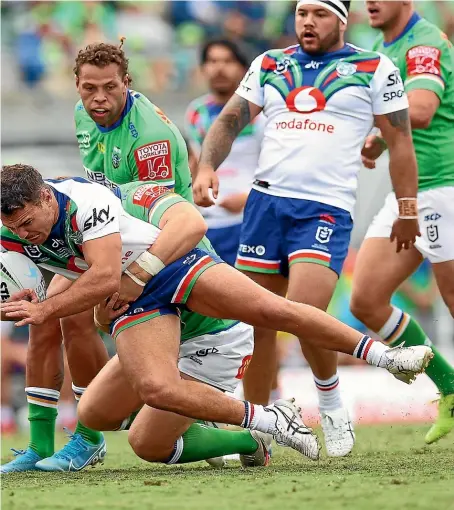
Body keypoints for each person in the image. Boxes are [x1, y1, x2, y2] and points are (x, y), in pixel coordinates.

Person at [0, 165, 432, 467]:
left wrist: (45, 307)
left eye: (26, 222)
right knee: (108, 416)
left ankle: (386, 358)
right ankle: (265, 422)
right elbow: (72, 272)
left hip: (166, 268)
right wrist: (38, 294)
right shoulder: (22, 226)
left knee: (271, 308)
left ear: (44, 196)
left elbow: (106, 274)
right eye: (15, 228)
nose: (23, 233)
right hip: (139, 303)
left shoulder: (91, 199)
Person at [192, 0, 420, 457]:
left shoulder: (374, 67)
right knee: (256, 322)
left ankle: (332, 403)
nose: (307, 22)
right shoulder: (269, 63)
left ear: (341, 18)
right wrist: (207, 169)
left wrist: (408, 208)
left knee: (303, 311)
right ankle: (254, 429)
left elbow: (399, 141)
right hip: (265, 205)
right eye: (301, 13)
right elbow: (230, 120)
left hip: (325, 208)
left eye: (318, 13)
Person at [0, 40, 203, 474]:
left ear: (126, 82)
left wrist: (116, 275)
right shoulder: (83, 115)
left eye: (110, 88)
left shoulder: (149, 137)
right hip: (100, 235)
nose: (98, 98)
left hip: (160, 249)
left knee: (68, 314)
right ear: (75, 84)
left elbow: (154, 216)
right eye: (88, 88)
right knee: (39, 318)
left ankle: (90, 436)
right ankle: (39, 444)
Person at [351, 0, 454, 445]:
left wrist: (365, 119)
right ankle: (450, 387)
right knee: (366, 299)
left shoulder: (423, 43)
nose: (370, 2)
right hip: (408, 192)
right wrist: (379, 139)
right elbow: (400, 119)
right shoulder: (380, 45)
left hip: (443, 187)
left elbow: (423, 108)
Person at [185, 38, 262, 266]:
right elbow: (194, 162)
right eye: (213, 61)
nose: (219, 68)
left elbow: (278, 168)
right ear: (203, 69)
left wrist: (249, 198)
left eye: (227, 61)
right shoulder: (196, 112)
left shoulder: (261, 114)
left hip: (248, 222)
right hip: (206, 223)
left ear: (243, 68)